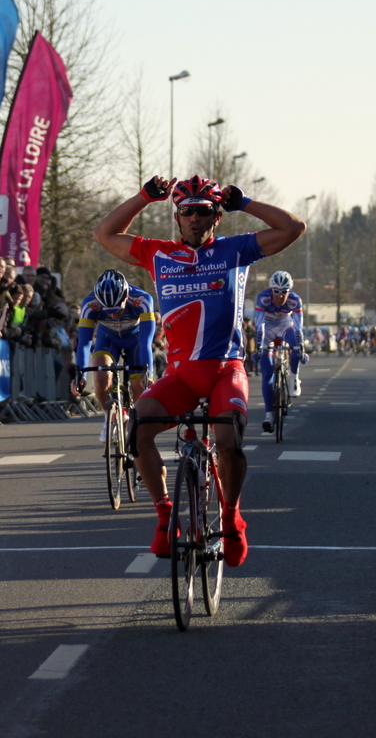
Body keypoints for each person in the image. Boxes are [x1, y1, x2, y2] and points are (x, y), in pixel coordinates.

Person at [94, 174, 305, 568]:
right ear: (177, 217)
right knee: (136, 429)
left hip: (226, 370)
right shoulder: (157, 254)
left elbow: (293, 228)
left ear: (216, 218)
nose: (194, 219)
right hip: (181, 374)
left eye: (204, 212)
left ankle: (230, 517)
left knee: (227, 442)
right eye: (187, 212)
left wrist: (244, 203)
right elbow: (105, 234)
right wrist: (143, 197)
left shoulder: (235, 251)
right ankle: (164, 518)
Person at [72, 270, 156, 440]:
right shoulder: (90, 304)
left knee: (139, 386)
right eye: (108, 310)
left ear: (126, 296)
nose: (112, 314)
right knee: (100, 376)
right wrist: (80, 374)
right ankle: (108, 418)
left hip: (136, 342)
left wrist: (149, 374)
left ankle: (137, 427)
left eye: (117, 310)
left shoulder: (143, 300)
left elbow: (147, 342)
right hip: (108, 340)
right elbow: (84, 343)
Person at [254, 270, 305, 432]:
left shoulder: (295, 300)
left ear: (289, 292)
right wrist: (259, 346)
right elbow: (259, 325)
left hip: (285, 325)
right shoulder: (263, 298)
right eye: (276, 291)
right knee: (267, 371)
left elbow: (298, 327)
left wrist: (300, 346)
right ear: (271, 290)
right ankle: (269, 415)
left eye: (284, 292)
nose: (280, 296)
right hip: (267, 329)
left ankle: (294, 379)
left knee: (296, 343)